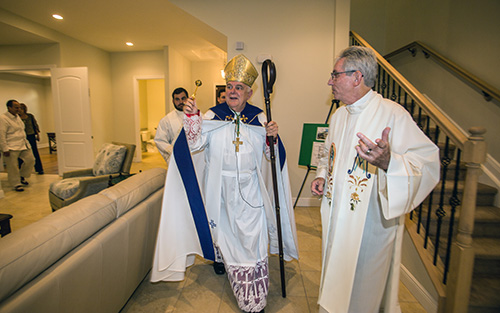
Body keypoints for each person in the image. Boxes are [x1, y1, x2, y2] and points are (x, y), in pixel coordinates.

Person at [151, 54, 299, 313]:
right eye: (229, 87)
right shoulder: (212, 115)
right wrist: (193, 120)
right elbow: (194, 144)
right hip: (220, 189)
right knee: (227, 239)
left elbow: (270, 156)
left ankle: (255, 299)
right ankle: (231, 273)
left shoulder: (260, 118)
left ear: (249, 93)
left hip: (250, 189)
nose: (232, 91)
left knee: (252, 241)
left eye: (238, 88)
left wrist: (272, 138)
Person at [310, 46, 440, 313]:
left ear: (357, 77)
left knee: (362, 292)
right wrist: (323, 175)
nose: (329, 81)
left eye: (335, 75)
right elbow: (328, 154)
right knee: (334, 276)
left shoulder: (392, 114)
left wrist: (388, 162)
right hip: (336, 217)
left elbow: (427, 163)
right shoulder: (338, 116)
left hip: (370, 223)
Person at [0, 100, 36, 192]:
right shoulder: (3, 118)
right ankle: (16, 183)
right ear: (9, 108)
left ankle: (21, 176)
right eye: (16, 107)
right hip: (10, 146)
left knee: (31, 160)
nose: (18, 109)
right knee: (12, 166)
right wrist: (4, 148)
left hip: (23, 144)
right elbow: (1, 135)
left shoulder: (17, 117)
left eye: (19, 107)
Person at [154, 87, 189, 164]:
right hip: (176, 158)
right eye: (177, 99)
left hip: (195, 157)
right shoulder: (166, 120)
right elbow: (159, 140)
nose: (180, 102)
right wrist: (174, 151)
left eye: (183, 98)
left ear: (188, 99)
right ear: (173, 101)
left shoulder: (198, 117)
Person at [18, 103, 44, 174]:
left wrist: (38, 135)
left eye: (21, 108)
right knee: (21, 154)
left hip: (31, 135)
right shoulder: (17, 118)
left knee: (35, 152)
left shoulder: (30, 116)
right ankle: (21, 170)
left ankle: (39, 169)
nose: (20, 110)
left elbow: (35, 125)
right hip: (22, 137)